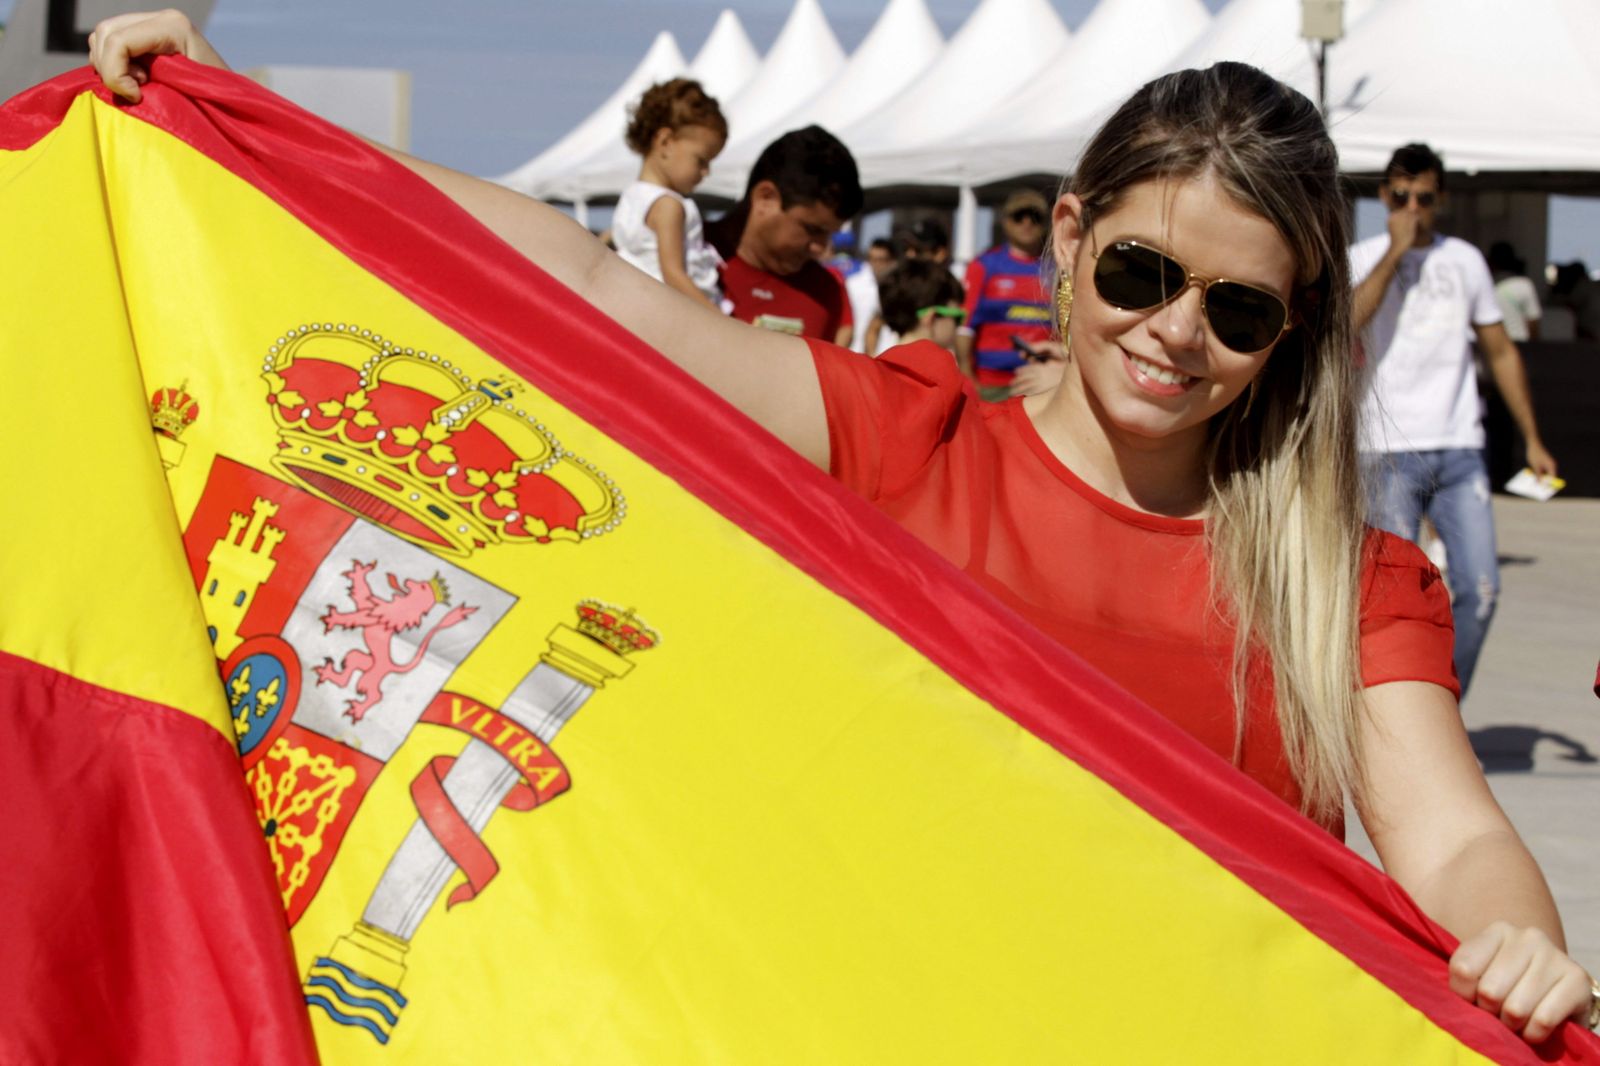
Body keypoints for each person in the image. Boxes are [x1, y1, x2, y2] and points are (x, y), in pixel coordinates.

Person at [90, 15, 1598, 1043]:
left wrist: (1516, 941)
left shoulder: (1338, 579)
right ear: (1070, 235)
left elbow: (1451, 830)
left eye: (1242, 309)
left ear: (1292, 332)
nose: (1176, 334)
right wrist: (263, 131)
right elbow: (593, 289)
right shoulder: (905, 439)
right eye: (1142, 271)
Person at [1351, 143, 1558, 697]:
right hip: (1385, 450)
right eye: (1400, 195)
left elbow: (1501, 351)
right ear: (1383, 195)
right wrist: (1395, 253)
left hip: (1459, 448)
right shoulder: (1363, 255)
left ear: (1441, 198)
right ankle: (1389, 714)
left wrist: (1533, 438)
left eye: (1423, 196)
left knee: (1481, 591)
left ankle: (1439, 710)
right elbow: (1345, 326)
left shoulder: (1464, 259)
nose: (1412, 206)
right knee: (1390, 601)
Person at [703, 125, 859, 345]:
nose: (820, 248)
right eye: (812, 229)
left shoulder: (824, 291)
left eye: (829, 234)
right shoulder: (680, 253)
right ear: (765, 198)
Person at [611, 78, 728, 308]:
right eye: (701, 160)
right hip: (675, 314)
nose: (706, 172)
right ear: (665, 142)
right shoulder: (668, 206)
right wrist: (718, 321)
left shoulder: (632, 197)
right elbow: (674, 276)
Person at [956, 188, 1055, 400]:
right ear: (1006, 222)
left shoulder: (1057, 268)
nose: (1027, 223)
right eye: (1019, 216)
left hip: (1042, 383)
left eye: (1035, 216)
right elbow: (964, 328)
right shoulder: (983, 266)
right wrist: (968, 378)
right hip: (991, 387)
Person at [875, 258, 964, 355]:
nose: (959, 327)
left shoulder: (870, 367)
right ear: (931, 318)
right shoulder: (942, 369)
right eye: (958, 318)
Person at [847, 237, 898, 355]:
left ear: (892, 260)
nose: (876, 264)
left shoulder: (900, 288)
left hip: (885, 354)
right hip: (855, 353)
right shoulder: (853, 285)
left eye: (881, 260)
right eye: (872, 259)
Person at [1488, 241, 1542, 343]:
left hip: (1493, 345)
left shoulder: (1485, 285)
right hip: (1520, 345)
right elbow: (1533, 322)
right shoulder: (1524, 285)